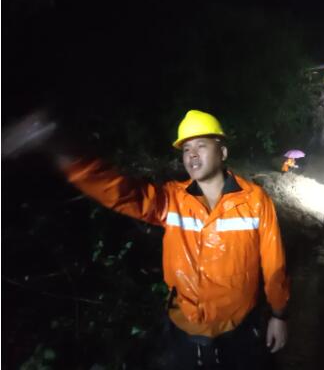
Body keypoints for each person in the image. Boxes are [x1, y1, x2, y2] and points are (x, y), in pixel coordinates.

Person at [3, 109, 290, 369]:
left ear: (223, 151)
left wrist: (278, 315)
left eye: (201, 145)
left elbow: (274, 263)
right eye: (186, 148)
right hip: (185, 331)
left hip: (239, 330)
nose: (192, 155)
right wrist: (61, 149)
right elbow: (120, 192)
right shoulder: (171, 199)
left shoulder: (255, 201)